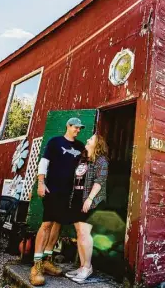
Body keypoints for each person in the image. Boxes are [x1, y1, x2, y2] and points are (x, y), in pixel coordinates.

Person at [30, 117, 86, 287]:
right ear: (68, 126)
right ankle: (36, 266)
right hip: (51, 188)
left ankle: (47, 260)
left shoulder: (80, 146)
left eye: (79, 128)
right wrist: (41, 182)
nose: (78, 130)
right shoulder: (55, 142)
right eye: (75, 127)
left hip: (68, 192)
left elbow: (84, 166)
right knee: (46, 224)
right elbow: (44, 162)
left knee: (58, 224)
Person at [65, 134, 109, 283]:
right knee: (79, 233)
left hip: (91, 200)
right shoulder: (83, 159)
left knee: (84, 233)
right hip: (77, 198)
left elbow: (100, 181)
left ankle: (87, 267)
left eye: (91, 139)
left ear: (97, 144)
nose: (88, 140)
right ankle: (82, 266)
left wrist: (89, 199)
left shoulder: (101, 160)